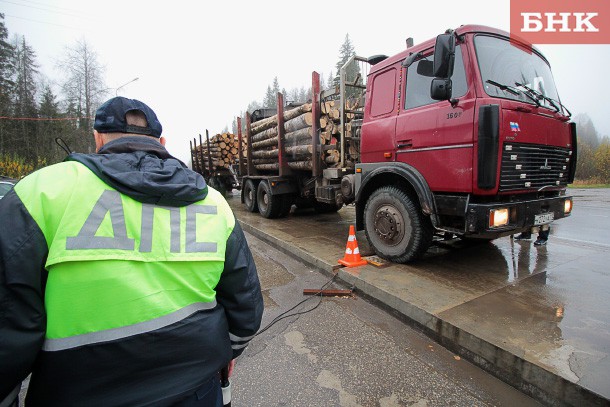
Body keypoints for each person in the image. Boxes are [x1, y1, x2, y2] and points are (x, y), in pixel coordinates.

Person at [0, 97, 263, 406]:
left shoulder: (41, 193)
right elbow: (246, 306)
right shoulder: (213, 204)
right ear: (161, 142)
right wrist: (222, 353)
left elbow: (9, 321)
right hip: (196, 391)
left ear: (97, 138)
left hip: (79, 393)